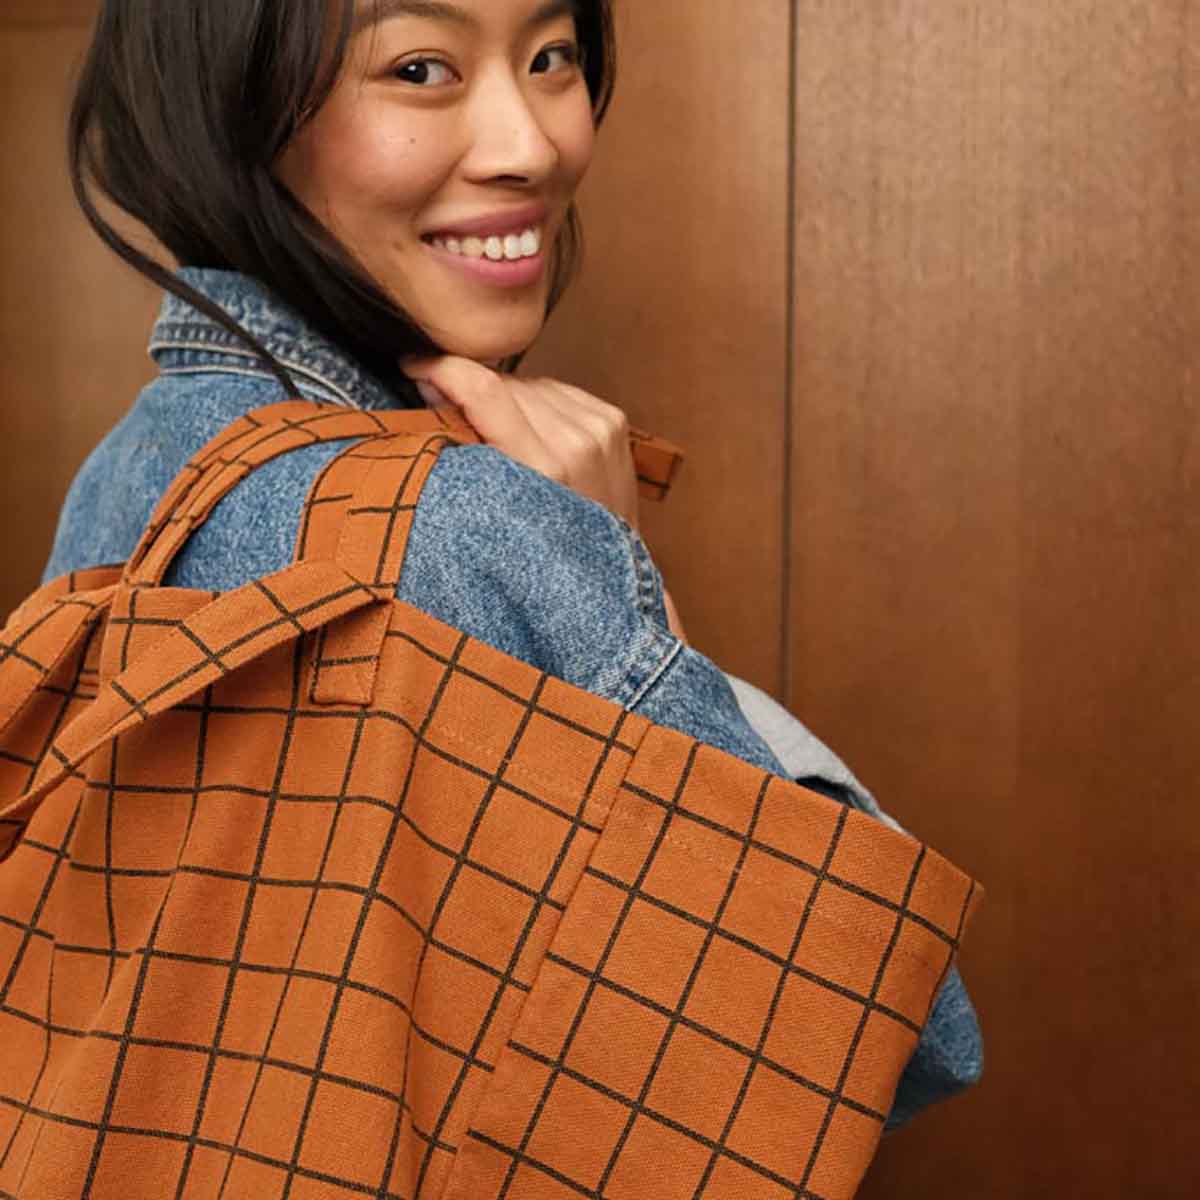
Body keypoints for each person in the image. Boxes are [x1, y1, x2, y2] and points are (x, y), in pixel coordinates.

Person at [44, 0, 980, 1129]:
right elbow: (888, 1038)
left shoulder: (137, 462)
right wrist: (616, 592)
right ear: (229, 106)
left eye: (552, 57)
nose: (531, 144)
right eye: (422, 67)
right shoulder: (456, 526)